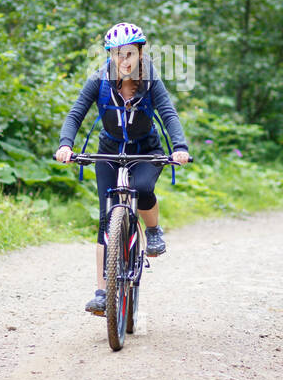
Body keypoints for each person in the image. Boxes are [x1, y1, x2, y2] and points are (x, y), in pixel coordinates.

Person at [55, 22, 190, 315]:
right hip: (110, 150)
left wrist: (179, 147)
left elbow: (168, 112)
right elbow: (75, 113)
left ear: (140, 53)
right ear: (110, 56)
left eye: (129, 54)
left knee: (142, 189)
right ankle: (103, 292)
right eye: (118, 55)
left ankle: (153, 230)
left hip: (145, 149)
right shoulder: (99, 80)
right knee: (106, 221)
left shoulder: (151, 80)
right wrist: (66, 144)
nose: (124, 61)